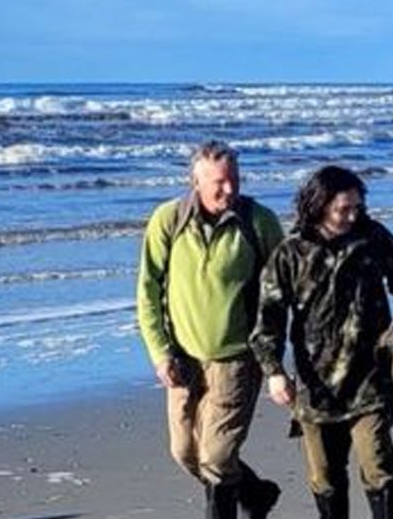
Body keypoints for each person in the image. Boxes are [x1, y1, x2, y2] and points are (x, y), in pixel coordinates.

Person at [252, 164, 393, 519]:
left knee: (378, 463)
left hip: (370, 376)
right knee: (325, 475)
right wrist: (274, 371)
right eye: (344, 209)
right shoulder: (290, 253)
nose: (353, 216)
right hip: (316, 384)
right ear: (320, 205)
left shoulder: (371, 237)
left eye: (357, 207)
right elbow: (268, 319)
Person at [136, 139, 287, 519]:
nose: (230, 189)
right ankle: (255, 494)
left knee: (216, 457)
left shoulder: (259, 221)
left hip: (237, 359)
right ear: (195, 181)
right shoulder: (168, 220)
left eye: (234, 179)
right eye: (219, 182)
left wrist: (275, 362)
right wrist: (159, 352)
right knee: (185, 453)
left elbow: (284, 287)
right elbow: (148, 290)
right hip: (182, 359)